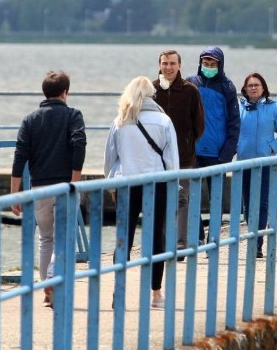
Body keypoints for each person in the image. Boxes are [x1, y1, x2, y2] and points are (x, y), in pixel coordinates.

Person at [11, 70, 87, 307]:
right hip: (65, 185)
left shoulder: (30, 120)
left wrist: (16, 193)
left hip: (39, 187)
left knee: (46, 239)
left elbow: (20, 155)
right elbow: (79, 145)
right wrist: (74, 181)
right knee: (63, 239)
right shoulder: (73, 116)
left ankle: (46, 289)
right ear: (65, 93)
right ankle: (53, 278)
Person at [104, 76, 180, 309]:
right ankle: (156, 294)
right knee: (156, 236)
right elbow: (172, 159)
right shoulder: (163, 120)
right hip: (157, 184)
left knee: (123, 238)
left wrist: (111, 182)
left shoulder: (120, 121)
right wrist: (173, 184)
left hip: (127, 184)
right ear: (151, 95)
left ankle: (119, 291)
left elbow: (110, 159)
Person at [152, 50, 205, 256]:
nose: (168, 67)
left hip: (183, 155)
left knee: (182, 199)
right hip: (156, 157)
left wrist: (187, 142)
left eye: (173, 63)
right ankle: (162, 244)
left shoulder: (190, 91)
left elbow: (199, 124)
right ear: (159, 65)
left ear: (180, 65)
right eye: (165, 63)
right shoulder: (152, 89)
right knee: (160, 199)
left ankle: (181, 242)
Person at [186, 46, 240, 240]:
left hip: (217, 154)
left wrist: (227, 153)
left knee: (216, 199)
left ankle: (214, 237)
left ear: (220, 64)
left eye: (212, 64)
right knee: (190, 197)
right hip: (193, 151)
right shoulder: (191, 83)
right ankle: (197, 235)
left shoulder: (227, 87)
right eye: (205, 63)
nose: (208, 66)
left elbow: (234, 123)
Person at [237, 72, 277, 258]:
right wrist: (236, 147)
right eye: (250, 85)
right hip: (244, 164)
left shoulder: (274, 108)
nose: (253, 88)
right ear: (244, 89)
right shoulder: (238, 108)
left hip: (265, 163)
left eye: (257, 85)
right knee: (247, 204)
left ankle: (257, 244)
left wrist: (271, 148)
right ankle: (252, 237)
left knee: (261, 205)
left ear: (263, 88)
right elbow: (231, 130)